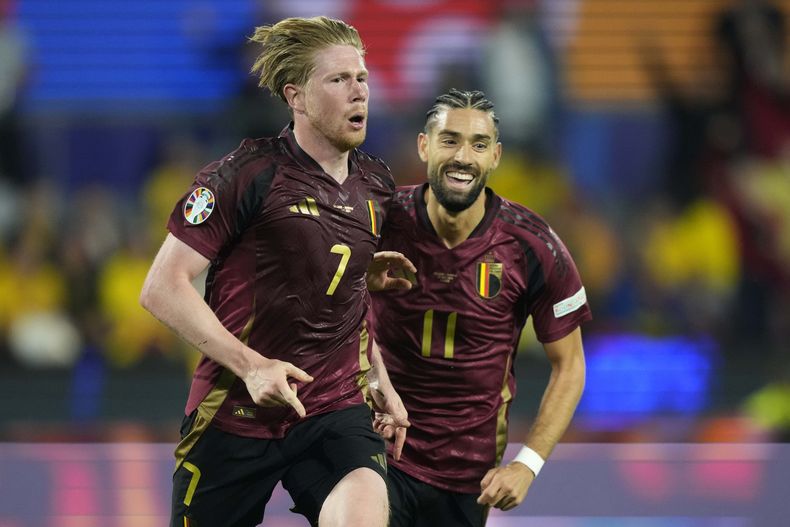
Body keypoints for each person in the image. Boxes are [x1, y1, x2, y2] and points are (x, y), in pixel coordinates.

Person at [140, 16, 412, 527]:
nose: (359, 91)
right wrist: (251, 367)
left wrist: (380, 377)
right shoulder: (247, 175)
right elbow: (162, 287)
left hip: (333, 408)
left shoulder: (377, 184)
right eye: (338, 79)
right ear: (297, 97)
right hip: (235, 412)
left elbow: (351, 294)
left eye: (362, 77)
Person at [370, 89, 590, 526]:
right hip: (374, 452)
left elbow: (570, 365)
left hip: (468, 477)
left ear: (495, 157)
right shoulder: (376, 222)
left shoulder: (532, 246)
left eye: (478, 144)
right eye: (449, 140)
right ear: (424, 146)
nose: (463, 157)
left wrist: (527, 464)